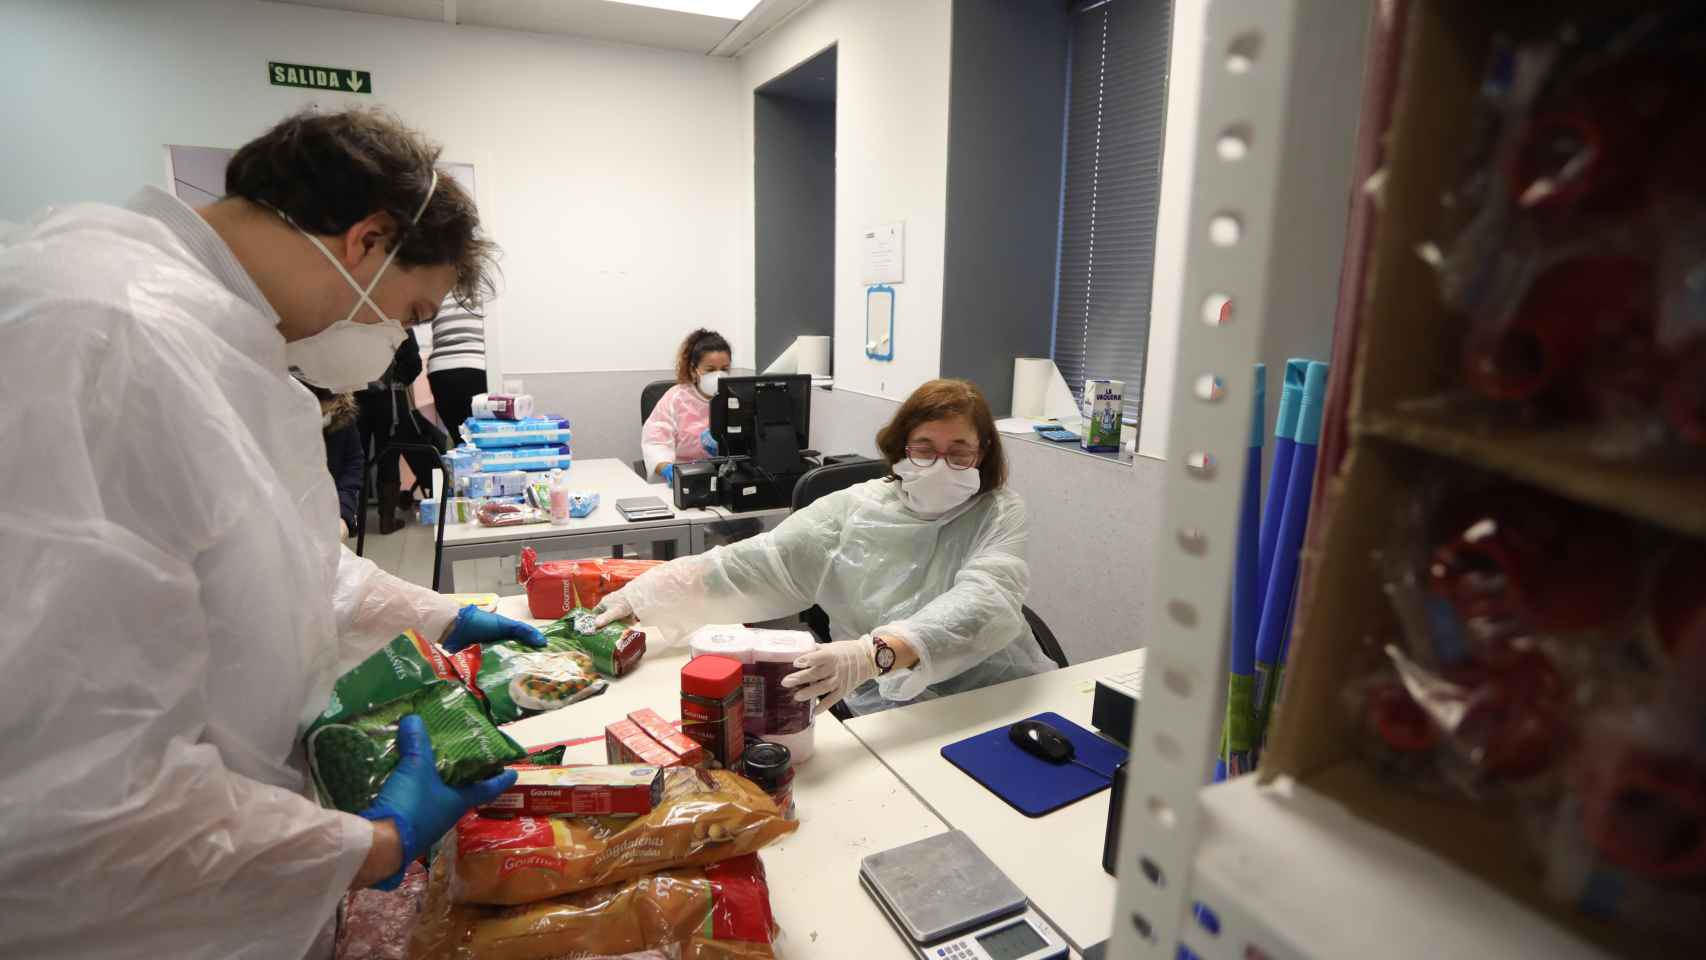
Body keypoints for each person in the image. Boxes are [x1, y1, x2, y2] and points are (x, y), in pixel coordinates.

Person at [0, 108, 548, 959]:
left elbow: (294, 569)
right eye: (409, 311)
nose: (399, 340)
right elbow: (75, 793)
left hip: (215, 878)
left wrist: (444, 615)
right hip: (121, 922)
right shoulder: (106, 338)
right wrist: (371, 846)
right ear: (365, 241)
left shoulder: (225, 350)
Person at [598, 379, 1057, 715]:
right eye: (923, 449)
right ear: (899, 449)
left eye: (959, 453)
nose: (941, 465)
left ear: (982, 455)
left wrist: (870, 653)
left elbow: (987, 601)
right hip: (890, 707)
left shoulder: (999, 511)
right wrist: (644, 593)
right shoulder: (854, 509)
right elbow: (756, 562)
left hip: (998, 695)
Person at [358, 330, 447, 533]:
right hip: (389, 397)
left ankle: (353, 522)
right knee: (388, 456)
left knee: (356, 458)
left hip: (355, 397)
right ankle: (386, 521)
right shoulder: (397, 319)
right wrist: (395, 380)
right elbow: (414, 363)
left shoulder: (353, 315)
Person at [642, 328, 732, 483]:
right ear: (693, 370)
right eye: (710, 370)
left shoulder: (735, 398)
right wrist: (668, 469)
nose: (719, 375)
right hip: (683, 477)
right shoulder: (676, 398)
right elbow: (655, 443)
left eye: (724, 369)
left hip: (726, 478)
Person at [302, 377, 364, 539]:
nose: (322, 417)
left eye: (326, 413)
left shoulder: (344, 416)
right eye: (317, 412)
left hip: (330, 512)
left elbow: (353, 466)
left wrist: (343, 515)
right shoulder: (284, 422)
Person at [425, 293, 488, 444]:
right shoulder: (484, 293)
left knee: (461, 440)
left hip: (440, 371)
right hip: (476, 365)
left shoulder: (440, 292)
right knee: (485, 439)